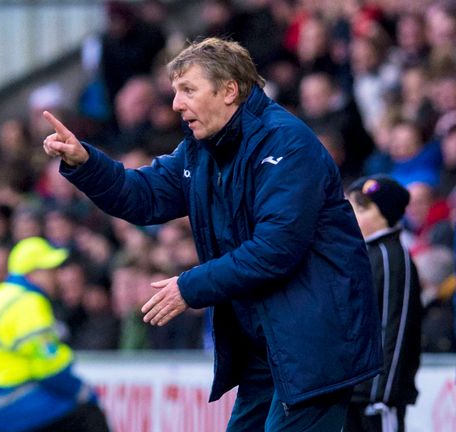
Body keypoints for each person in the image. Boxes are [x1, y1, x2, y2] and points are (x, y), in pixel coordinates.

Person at [41, 37, 382, 430]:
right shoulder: (200, 150)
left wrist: (190, 287)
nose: (175, 104)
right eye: (175, 92)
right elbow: (143, 196)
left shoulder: (287, 144)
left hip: (312, 346)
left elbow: (276, 247)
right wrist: (86, 163)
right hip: (266, 348)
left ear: (229, 91)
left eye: (188, 90)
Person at [0, 237, 108, 432]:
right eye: (51, 270)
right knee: (88, 416)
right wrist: (82, 391)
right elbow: (47, 367)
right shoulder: (28, 302)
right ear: (32, 274)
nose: (57, 277)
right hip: (7, 400)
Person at [346, 175, 422, 432]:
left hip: (375, 395)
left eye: (362, 208)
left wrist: (382, 393)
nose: (352, 215)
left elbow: (395, 328)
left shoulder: (392, 258)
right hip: (352, 390)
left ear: (386, 214)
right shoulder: (362, 254)